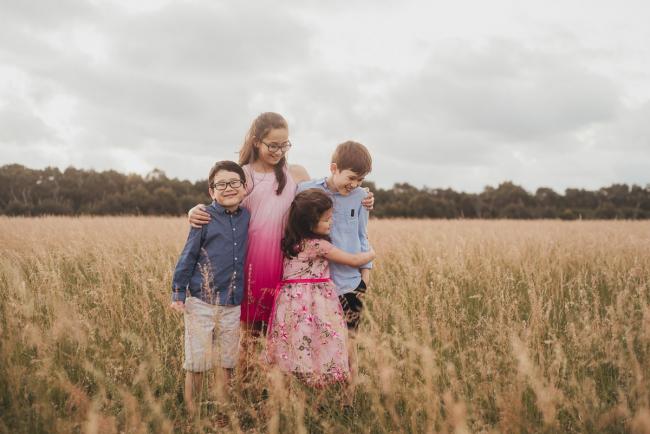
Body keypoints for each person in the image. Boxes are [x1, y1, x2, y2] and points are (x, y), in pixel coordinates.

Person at [187, 113, 375, 373]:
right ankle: (243, 396)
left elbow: (328, 195)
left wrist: (362, 196)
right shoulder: (244, 175)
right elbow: (220, 202)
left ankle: (275, 395)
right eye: (272, 145)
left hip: (289, 267)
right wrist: (194, 210)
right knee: (251, 336)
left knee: (283, 336)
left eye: (284, 144)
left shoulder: (296, 174)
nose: (278, 151)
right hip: (251, 265)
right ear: (256, 142)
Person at [267, 189, 376, 387]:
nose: (331, 222)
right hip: (313, 302)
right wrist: (370, 254)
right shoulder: (318, 245)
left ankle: (295, 380)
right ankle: (318, 382)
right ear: (310, 223)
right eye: (327, 220)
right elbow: (353, 260)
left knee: (297, 339)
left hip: (290, 303)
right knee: (320, 337)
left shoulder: (291, 243)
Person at [170, 160, 250, 415]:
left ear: (244, 187)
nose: (228, 188)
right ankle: (192, 414)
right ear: (211, 191)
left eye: (234, 183)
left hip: (233, 303)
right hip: (201, 302)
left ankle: (223, 412)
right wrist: (178, 292)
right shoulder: (203, 216)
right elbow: (188, 255)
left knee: (227, 362)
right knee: (197, 362)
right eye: (221, 184)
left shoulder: (248, 216)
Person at [296, 140, 373, 402]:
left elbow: (363, 236)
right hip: (317, 283)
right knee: (321, 341)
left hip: (350, 283)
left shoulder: (362, 197)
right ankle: (320, 397)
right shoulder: (306, 190)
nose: (355, 184)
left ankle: (348, 399)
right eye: (351, 177)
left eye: (361, 179)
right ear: (334, 168)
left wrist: (365, 278)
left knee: (350, 341)